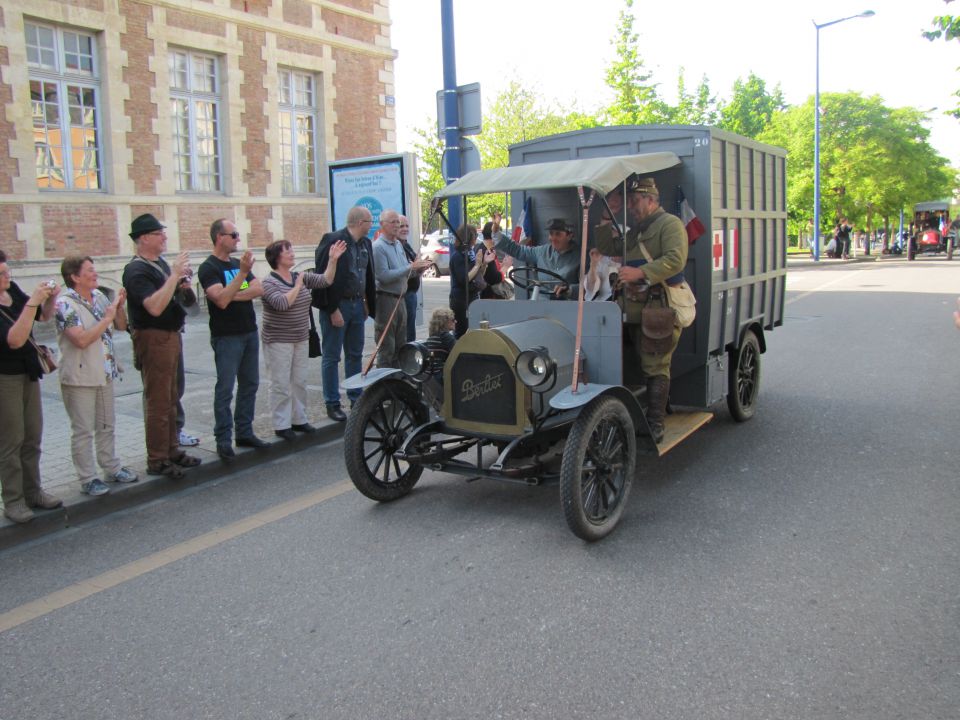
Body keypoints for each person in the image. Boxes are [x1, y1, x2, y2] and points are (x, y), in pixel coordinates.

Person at [594, 176, 688, 444]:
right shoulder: (638, 229)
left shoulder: (669, 224)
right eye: (630, 203)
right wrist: (604, 214)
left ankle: (655, 423)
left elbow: (675, 259)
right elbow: (607, 247)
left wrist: (640, 272)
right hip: (627, 309)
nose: (631, 207)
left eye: (635, 201)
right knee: (614, 358)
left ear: (651, 199)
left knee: (655, 364)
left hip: (656, 307)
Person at [122, 214, 201, 479]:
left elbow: (183, 301)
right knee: (158, 400)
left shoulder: (160, 265)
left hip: (171, 335)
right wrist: (174, 276)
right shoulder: (136, 270)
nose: (164, 237)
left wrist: (181, 283)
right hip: (153, 337)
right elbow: (154, 306)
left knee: (171, 397)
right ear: (143, 238)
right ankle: (157, 458)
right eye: (159, 233)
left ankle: (172, 450)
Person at [55, 256, 138, 497]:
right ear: (75, 276)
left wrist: (119, 307)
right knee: (83, 430)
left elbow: (121, 326)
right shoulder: (65, 304)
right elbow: (80, 339)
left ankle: (111, 467)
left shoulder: (100, 297)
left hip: (104, 372)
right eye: (90, 271)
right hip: (79, 375)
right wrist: (107, 318)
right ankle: (87, 478)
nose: (95, 274)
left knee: (106, 424)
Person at [0, 251, 63, 523]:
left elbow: (41, 317)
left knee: (33, 435)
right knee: (11, 440)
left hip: (28, 371)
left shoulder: (11, 290)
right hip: (5, 376)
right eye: (2, 273)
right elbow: (14, 338)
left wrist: (49, 300)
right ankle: (13, 501)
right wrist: (33, 303)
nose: (8, 276)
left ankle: (33, 491)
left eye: (7, 270)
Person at [261, 238, 346, 440]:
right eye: (287, 250)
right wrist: (298, 286)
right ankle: (281, 424)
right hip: (278, 339)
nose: (292, 253)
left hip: (300, 337)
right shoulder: (268, 282)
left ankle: (299, 419)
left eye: (291, 249)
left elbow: (326, 280)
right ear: (276, 257)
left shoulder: (299, 276)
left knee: (299, 380)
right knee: (280, 382)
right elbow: (282, 304)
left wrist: (333, 260)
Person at [198, 219, 266, 458]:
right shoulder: (209, 268)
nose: (238, 239)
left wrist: (231, 293)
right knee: (225, 388)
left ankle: (244, 431)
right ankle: (223, 438)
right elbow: (220, 299)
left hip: (248, 331)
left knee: (250, 383)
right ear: (219, 237)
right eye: (234, 235)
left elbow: (258, 290)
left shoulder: (237, 264)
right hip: (226, 336)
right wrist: (242, 278)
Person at [314, 206, 377, 421]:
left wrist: (368, 303)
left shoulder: (365, 244)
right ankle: (332, 402)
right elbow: (322, 278)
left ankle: (356, 398)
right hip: (338, 305)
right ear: (360, 223)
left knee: (355, 354)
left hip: (357, 305)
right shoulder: (333, 240)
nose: (372, 225)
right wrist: (331, 309)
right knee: (332, 356)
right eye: (370, 221)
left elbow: (367, 276)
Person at [372, 209, 432, 367]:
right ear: (382, 225)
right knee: (387, 347)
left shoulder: (398, 244)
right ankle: (385, 383)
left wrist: (418, 270)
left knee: (401, 343)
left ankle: (399, 379)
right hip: (386, 299)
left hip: (401, 299)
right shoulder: (378, 247)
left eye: (397, 222)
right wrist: (411, 267)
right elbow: (384, 276)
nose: (397, 225)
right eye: (393, 222)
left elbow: (404, 272)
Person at [493, 217, 581, 299]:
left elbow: (588, 287)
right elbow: (519, 250)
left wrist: (569, 290)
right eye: (551, 234)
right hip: (541, 306)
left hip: (568, 308)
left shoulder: (580, 256)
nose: (553, 238)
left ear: (569, 236)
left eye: (558, 234)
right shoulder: (542, 251)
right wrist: (497, 234)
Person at [448, 224, 491, 338]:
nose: (477, 238)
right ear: (469, 237)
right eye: (475, 235)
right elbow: (464, 279)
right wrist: (477, 265)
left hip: (473, 296)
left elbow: (478, 277)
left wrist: (484, 263)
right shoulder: (458, 256)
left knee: (474, 329)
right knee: (462, 331)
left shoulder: (470, 253)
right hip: (461, 299)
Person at [397, 215, 423, 342]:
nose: (405, 229)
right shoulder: (395, 247)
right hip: (403, 295)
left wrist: (421, 267)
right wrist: (415, 268)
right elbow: (402, 272)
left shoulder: (406, 245)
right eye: (401, 226)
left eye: (407, 226)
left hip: (411, 293)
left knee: (410, 332)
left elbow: (413, 267)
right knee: (405, 333)